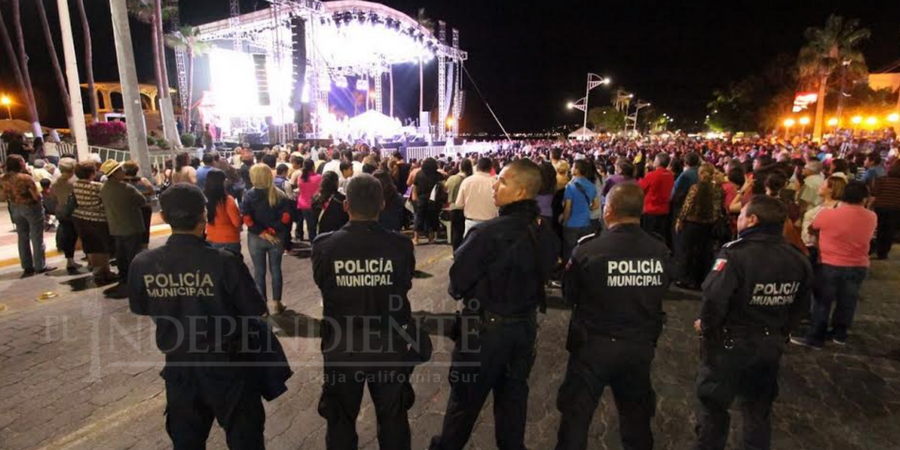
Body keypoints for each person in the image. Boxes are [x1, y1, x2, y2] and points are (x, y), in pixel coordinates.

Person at [128, 183, 279, 450]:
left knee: (187, 441)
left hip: (181, 367)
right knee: (245, 438)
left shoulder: (143, 264)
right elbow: (256, 309)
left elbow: (141, 307)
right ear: (204, 214)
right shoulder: (225, 262)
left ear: (163, 216)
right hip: (229, 368)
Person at [429, 160, 560, 450]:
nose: (494, 185)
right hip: (524, 331)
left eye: (502, 180)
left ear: (521, 191)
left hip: (484, 335)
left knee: (463, 407)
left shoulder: (486, 234)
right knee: (513, 405)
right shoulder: (545, 233)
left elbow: (457, 284)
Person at [555, 183, 672, 450]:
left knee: (576, 418)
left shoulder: (588, 249)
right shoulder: (659, 250)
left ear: (608, 211)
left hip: (592, 344)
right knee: (636, 419)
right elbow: (662, 289)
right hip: (639, 344)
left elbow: (569, 295)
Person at [311, 174, 424, 450]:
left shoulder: (324, 245)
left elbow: (322, 282)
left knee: (340, 420)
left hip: (342, 345)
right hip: (389, 344)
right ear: (382, 205)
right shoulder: (400, 245)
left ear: (346, 205)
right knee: (393, 419)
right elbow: (405, 283)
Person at [693, 195, 812, 450]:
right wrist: (781, 332)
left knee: (713, 407)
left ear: (753, 220)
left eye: (742, 215)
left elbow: (714, 298)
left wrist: (708, 330)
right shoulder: (797, 258)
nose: (739, 220)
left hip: (730, 344)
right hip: (770, 343)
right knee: (758, 410)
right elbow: (802, 307)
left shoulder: (735, 254)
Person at [791, 181, 877, 348]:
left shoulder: (827, 214)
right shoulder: (871, 216)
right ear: (864, 198)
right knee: (848, 301)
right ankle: (840, 333)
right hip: (858, 265)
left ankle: (816, 337)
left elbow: (812, 228)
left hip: (829, 263)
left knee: (822, 302)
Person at [241, 164, 292, 315]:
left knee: (259, 272)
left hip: (256, 238)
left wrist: (262, 232)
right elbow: (286, 218)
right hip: (276, 238)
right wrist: (272, 230)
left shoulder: (248, 195)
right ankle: (277, 303)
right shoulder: (280, 194)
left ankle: (262, 307)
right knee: (276, 269)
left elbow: (247, 218)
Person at [99, 160, 148, 295]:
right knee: (133, 254)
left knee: (121, 255)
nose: (123, 172)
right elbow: (142, 201)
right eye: (120, 170)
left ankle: (124, 278)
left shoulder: (104, 188)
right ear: (115, 173)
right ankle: (135, 280)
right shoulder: (126, 188)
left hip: (115, 227)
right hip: (131, 226)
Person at [0, 155, 53, 277]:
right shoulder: (25, 178)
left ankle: (27, 266)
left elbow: (2, 196)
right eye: (23, 162)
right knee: (36, 236)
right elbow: (36, 196)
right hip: (30, 207)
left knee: (22, 236)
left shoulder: (3, 178)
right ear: (19, 164)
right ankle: (40, 265)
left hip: (14, 207)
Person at [676, 163, 724, 290]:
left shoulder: (695, 188)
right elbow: (717, 209)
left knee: (688, 252)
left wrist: (680, 220)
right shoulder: (718, 189)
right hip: (708, 225)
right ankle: (700, 280)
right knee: (703, 252)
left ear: (701, 174)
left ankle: (686, 279)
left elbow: (687, 206)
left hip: (692, 224)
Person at [72, 161, 114, 283]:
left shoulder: (75, 185)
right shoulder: (98, 186)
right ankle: (105, 271)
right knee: (103, 247)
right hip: (98, 219)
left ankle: (97, 271)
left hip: (80, 219)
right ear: (92, 173)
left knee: (91, 246)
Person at [562, 159, 600, 262]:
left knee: (569, 252)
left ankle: (569, 269)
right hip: (586, 223)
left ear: (577, 170)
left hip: (572, 224)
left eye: (573, 167)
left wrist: (564, 221)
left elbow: (567, 208)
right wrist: (586, 208)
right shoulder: (591, 186)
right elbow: (596, 205)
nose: (571, 168)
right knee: (583, 252)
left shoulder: (570, 187)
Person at [50, 158, 81, 273]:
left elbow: (53, 196)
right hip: (74, 211)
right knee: (79, 235)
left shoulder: (55, 182)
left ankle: (70, 260)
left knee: (68, 236)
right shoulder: (75, 182)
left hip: (61, 211)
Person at [455, 158, 498, 237]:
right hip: (490, 224)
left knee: (471, 244)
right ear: (490, 168)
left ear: (477, 167)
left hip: (471, 223)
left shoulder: (467, 181)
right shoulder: (495, 183)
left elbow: (459, 204)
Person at [204, 169, 243, 255]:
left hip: (210, 238)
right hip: (229, 240)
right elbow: (237, 222)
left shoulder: (204, 200)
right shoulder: (227, 200)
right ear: (221, 183)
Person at [639, 153, 675, 240]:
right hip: (664, 210)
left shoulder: (651, 175)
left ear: (658, 162)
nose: (653, 161)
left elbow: (640, 188)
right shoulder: (670, 175)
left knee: (650, 237)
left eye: (655, 160)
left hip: (651, 210)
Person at [870, 160, 900, 260]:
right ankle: (884, 253)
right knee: (890, 230)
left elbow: (874, 193)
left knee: (880, 229)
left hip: (880, 207)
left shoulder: (882, 179)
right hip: (895, 209)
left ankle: (878, 250)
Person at [123, 161, 156, 250]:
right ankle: (144, 249)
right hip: (144, 208)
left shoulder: (122, 182)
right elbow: (152, 192)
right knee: (145, 229)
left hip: (129, 209)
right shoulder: (143, 180)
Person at [412, 158, 443, 245]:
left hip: (421, 198)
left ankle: (416, 238)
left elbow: (414, 186)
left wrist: (415, 197)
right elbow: (442, 185)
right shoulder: (437, 175)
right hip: (433, 199)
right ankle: (431, 238)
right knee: (432, 218)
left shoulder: (419, 174)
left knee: (419, 219)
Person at [445, 159, 471, 249]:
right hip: (466, 208)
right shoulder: (469, 179)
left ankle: (456, 251)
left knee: (456, 232)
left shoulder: (452, 178)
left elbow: (446, 189)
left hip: (453, 207)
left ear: (460, 167)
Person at [296, 158, 322, 242]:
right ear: (313, 167)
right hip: (315, 203)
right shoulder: (319, 177)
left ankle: (311, 241)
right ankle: (316, 241)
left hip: (303, 203)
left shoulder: (301, 177)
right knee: (315, 224)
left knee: (309, 224)